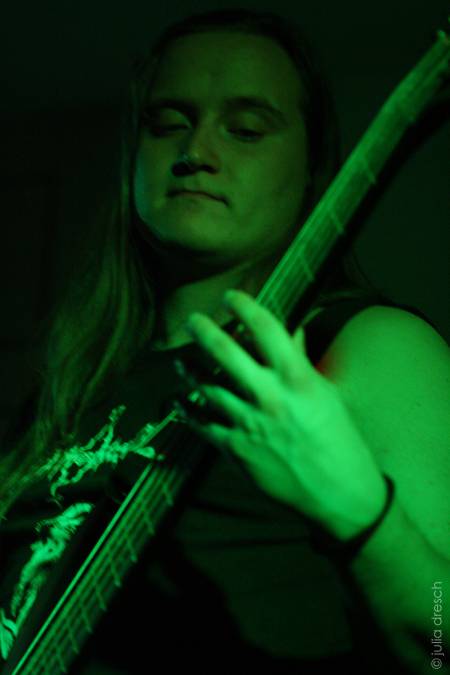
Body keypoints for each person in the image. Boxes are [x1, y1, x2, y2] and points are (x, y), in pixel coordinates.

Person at [1, 8, 449, 675]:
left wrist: (363, 514)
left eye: (246, 129)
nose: (196, 152)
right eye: (167, 123)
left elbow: (441, 642)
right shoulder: (73, 382)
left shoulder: (367, 346)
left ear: (312, 170)